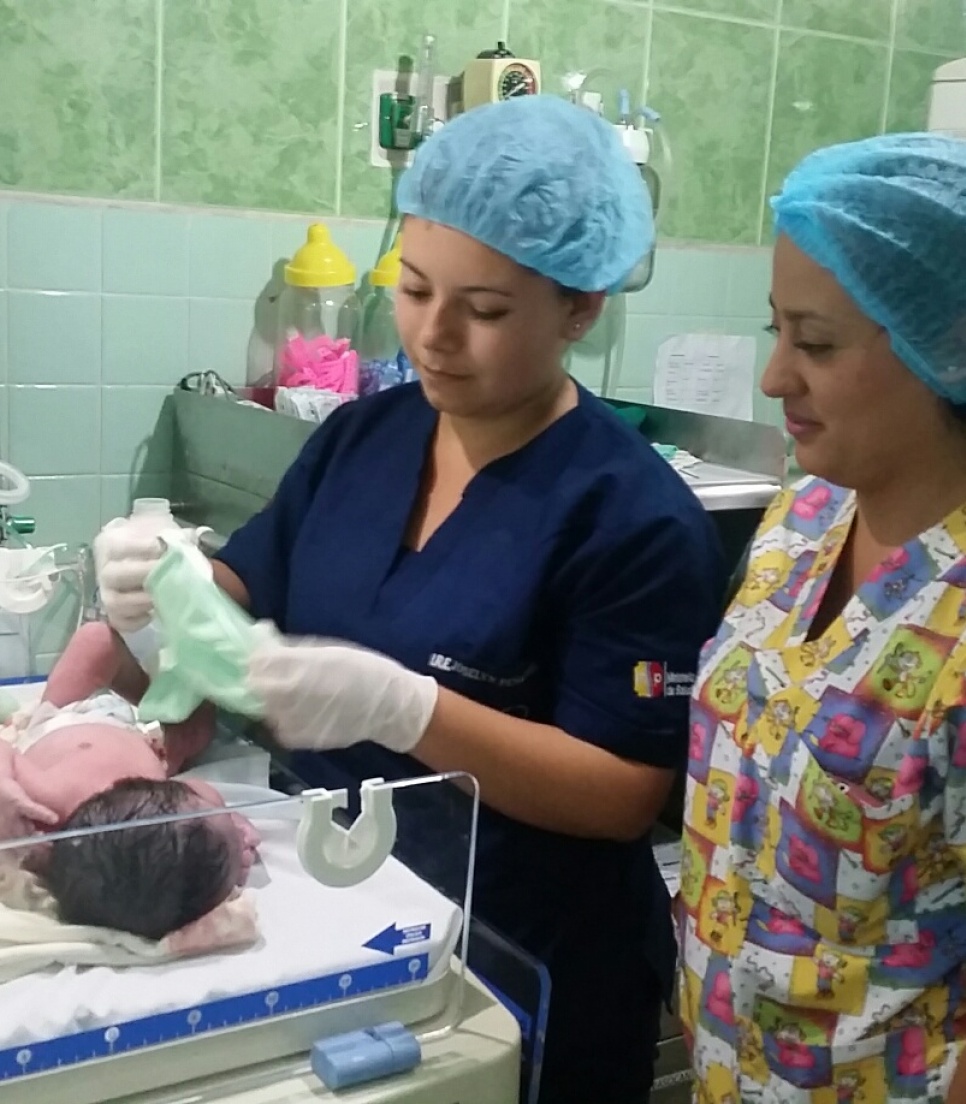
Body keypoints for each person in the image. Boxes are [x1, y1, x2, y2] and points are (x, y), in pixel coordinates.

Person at [93, 94, 726, 1102]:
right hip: (342, 921)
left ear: (581, 308)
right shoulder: (365, 436)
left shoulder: (635, 520)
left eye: (483, 311)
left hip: (528, 962)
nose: (434, 335)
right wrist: (153, 584)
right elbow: (247, 582)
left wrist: (410, 709)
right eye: (416, 289)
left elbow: (620, 796)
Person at [679, 133, 966, 1103]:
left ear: (941, 346)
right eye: (776, 331)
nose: (773, 377)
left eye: (816, 342)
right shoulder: (801, 518)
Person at [0, 622, 258, 939]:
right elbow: (187, 831)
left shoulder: (47, 805)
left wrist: (4, 781)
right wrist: (226, 837)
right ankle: (155, 696)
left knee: (96, 640)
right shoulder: (162, 823)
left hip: (65, 717)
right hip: (149, 740)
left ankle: (152, 692)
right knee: (197, 732)